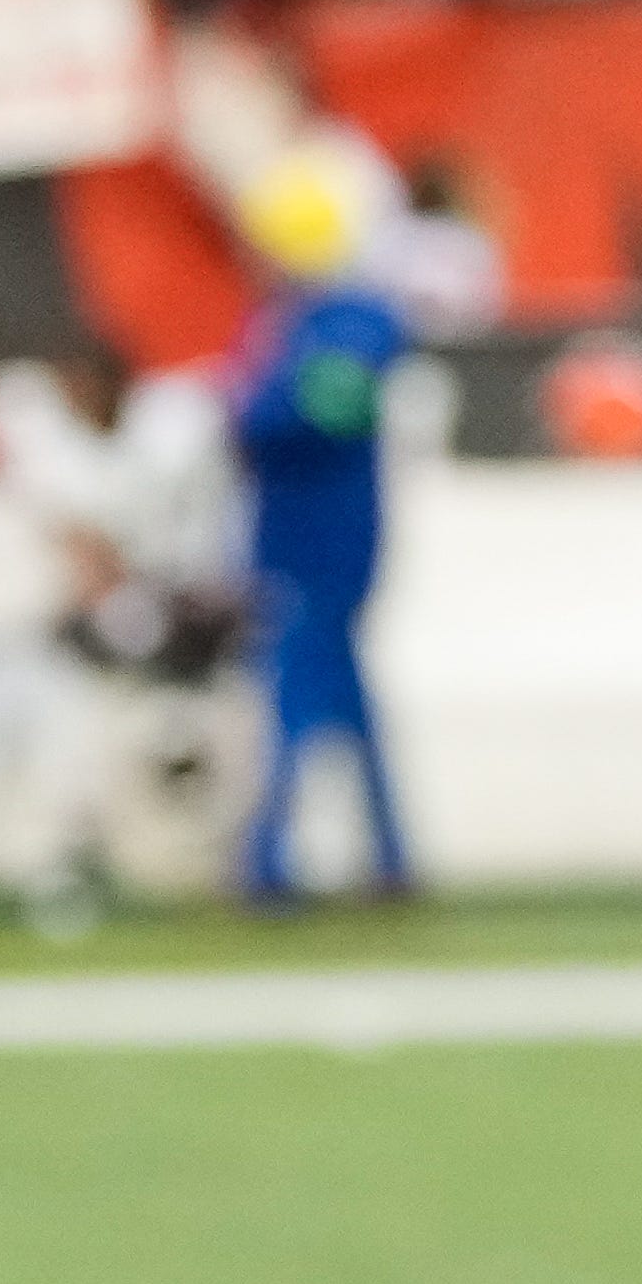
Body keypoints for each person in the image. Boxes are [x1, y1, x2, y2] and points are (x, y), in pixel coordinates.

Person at [230, 141, 412, 906]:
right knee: (340, 700)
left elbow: (309, 408)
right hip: (305, 534)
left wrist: (243, 410)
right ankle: (389, 857)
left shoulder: (351, 320)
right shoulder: (307, 319)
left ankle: (270, 860)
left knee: (295, 697)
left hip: (321, 539)